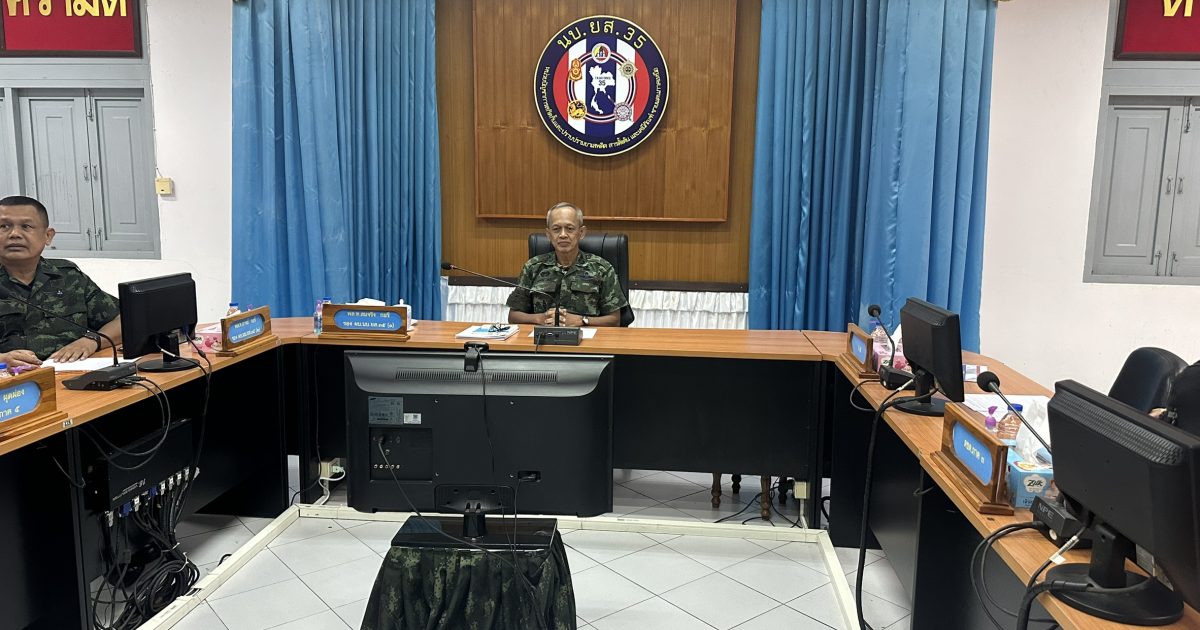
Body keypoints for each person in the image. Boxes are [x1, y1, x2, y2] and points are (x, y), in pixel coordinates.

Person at [0, 195, 121, 367]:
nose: (15, 234)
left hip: (70, 373)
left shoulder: (69, 277)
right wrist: (2, 360)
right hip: (11, 379)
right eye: (4, 226)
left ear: (47, 236)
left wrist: (91, 341)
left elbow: (123, 320)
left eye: (26, 226)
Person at [506, 202, 628, 327]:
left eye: (570, 229)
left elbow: (615, 320)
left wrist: (582, 320)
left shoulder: (601, 269)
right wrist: (540, 318)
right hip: (544, 336)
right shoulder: (533, 267)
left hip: (587, 337)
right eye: (556, 229)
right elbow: (513, 317)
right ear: (548, 234)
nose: (563, 235)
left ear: (581, 232)